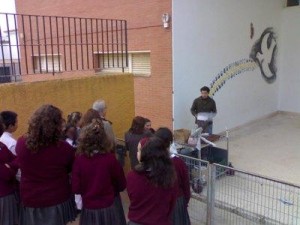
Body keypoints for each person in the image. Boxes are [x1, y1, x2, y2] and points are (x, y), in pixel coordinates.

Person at [15, 104, 76, 225]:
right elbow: (70, 170)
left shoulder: (21, 144)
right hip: (57, 198)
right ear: (57, 125)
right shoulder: (64, 149)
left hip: (31, 198)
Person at [72, 119, 126, 225]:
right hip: (108, 209)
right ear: (104, 140)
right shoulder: (110, 159)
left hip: (89, 210)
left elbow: (76, 188)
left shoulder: (79, 160)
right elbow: (122, 184)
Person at [127, 136, 178, 225]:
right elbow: (172, 203)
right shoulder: (170, 177)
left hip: (136, 221)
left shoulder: (132, 176)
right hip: (160, 221)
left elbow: (132, 197)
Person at [155, 127, 191, 225]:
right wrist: (185, 201)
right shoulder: (179, 163)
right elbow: (186, 185)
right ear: (171, 142)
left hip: (158, 202)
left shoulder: (152, 161)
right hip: (177, 202)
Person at [0, 120, 19, 225]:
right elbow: (7, 175)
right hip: (2, 195)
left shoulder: (2, 146)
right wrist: (9, 167)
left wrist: (10, 166)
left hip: (7, 193)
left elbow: (17, 159)